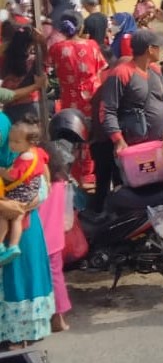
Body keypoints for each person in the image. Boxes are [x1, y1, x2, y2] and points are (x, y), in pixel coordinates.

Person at [96, 29, 163, 211]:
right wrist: (118, 140)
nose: (160, 49)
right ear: (149, 50)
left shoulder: (156, 70)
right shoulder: (122, 73)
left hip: (160, 145)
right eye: (157, 46)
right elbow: (108, 110)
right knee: (139, 196)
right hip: (135, 150)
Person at [0, 117, 47, 265]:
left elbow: (12, 175)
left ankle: (4, 244)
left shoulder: (23, 158)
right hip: (31, 192)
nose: (11, 145)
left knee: (7, 216)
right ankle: (12, 246)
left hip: (22, 194)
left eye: (15, 142)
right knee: (17, 217)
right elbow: (45, 161)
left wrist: (2, 171)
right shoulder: (37, 152)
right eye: (11, 140)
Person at [48, 12, 107, 119]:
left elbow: (46, 63)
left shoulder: (56, 49)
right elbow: (100, 70)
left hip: (69, 100)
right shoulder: (92, 45)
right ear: (81, 28)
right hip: (92, 98)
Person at [39, 140, 71, 333]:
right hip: (56, 237)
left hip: (39, 237)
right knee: (56, 276)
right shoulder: (62, 184)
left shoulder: (40, 186)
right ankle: (59, 317)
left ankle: (53, 317)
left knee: (43, 277)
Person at [1, 26, 41, 123]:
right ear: (30, 45)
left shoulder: (4, 58)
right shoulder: (33, 61)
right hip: (29, 105)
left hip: (8, 106)